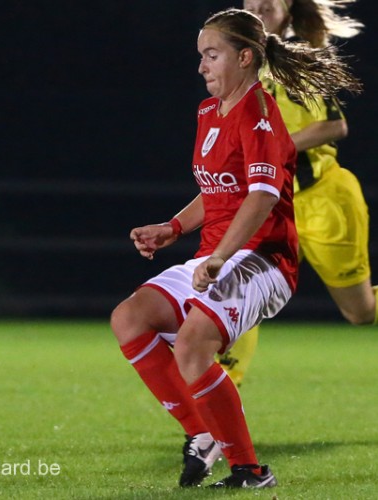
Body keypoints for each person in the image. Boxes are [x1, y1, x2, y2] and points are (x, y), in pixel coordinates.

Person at [110, 7, 361, 489]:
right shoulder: (209, 112)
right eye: (201, 56)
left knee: (193, 344)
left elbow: (263, 195)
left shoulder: (261, 115)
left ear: (245, 57)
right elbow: (218, 188)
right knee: (129, 318)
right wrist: (173, 227)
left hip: (264, 259)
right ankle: (201, 434)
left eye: (212, 55)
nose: (202, 66)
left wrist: (223, 255)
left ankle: (249, 471)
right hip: (216, 252)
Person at [223, 0, 377, 388]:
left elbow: (333, 126)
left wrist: (275, 146)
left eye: (268, 3)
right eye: (251, 2)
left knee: (361, 313)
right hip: (268, 205)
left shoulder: (300, 56)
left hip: (323, 199)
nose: (258, 7)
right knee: (238, 290)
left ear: (287, 8)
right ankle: (221, 390)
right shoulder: (236, 63)